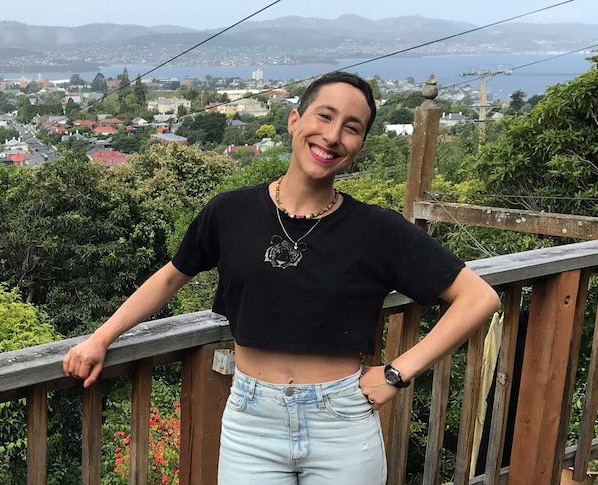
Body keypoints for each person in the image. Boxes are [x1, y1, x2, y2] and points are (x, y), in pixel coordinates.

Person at [63, 71, 500, 484]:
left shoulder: (377, 229)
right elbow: (171, 277)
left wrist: (396, 374)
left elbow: (478, 298)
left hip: (342, 421)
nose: (332, 136)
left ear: (360, 145)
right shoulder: (230, 211)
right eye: (324, 116)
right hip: (252, 420)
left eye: (351, 127)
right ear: (295, 120)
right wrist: (101, 338)